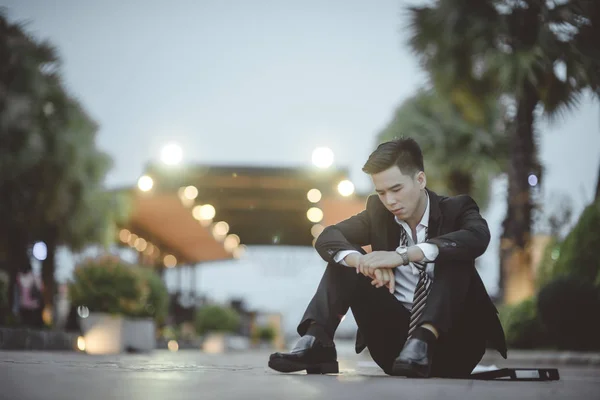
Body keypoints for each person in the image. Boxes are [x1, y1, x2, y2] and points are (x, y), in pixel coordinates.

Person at [269, 137, 506, 378]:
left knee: (451, 252)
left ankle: (423, 338)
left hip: (456, 346)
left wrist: (402, 256)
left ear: (420, 179)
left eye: (396, 189)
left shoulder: (457, 209)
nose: (390, 201)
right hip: (394, 351)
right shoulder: (378, 214)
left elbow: (477, 237)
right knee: (345, 256)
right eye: (381, 192)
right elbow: (328, 237)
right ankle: (318, 342)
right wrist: (363, 262)